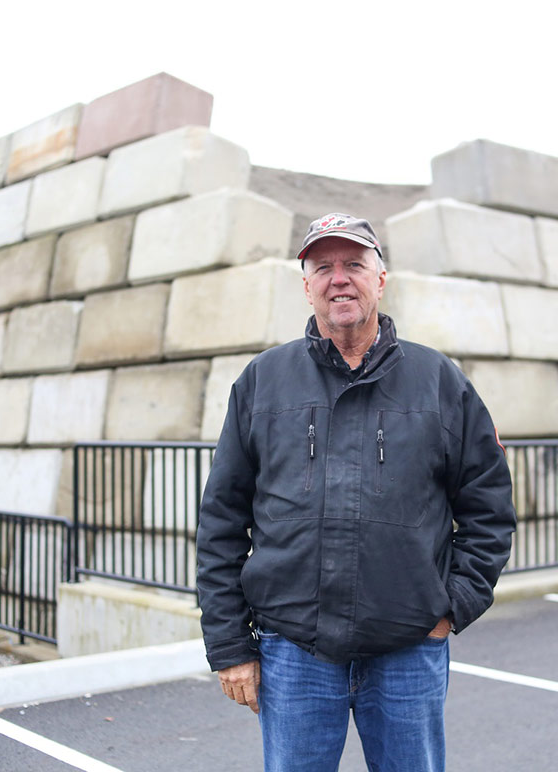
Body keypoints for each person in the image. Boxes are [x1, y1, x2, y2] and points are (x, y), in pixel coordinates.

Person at [196, 212, 516, 771]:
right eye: (323, 267)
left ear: (380, 278)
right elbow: (222, 520)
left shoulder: (439, 382)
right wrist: (230, 647)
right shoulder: (262, 381)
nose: (339, 278)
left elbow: (489, 507)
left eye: (354, 264)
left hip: (409, 649)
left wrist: (453, 605)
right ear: (306, 284)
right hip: (293, 651)